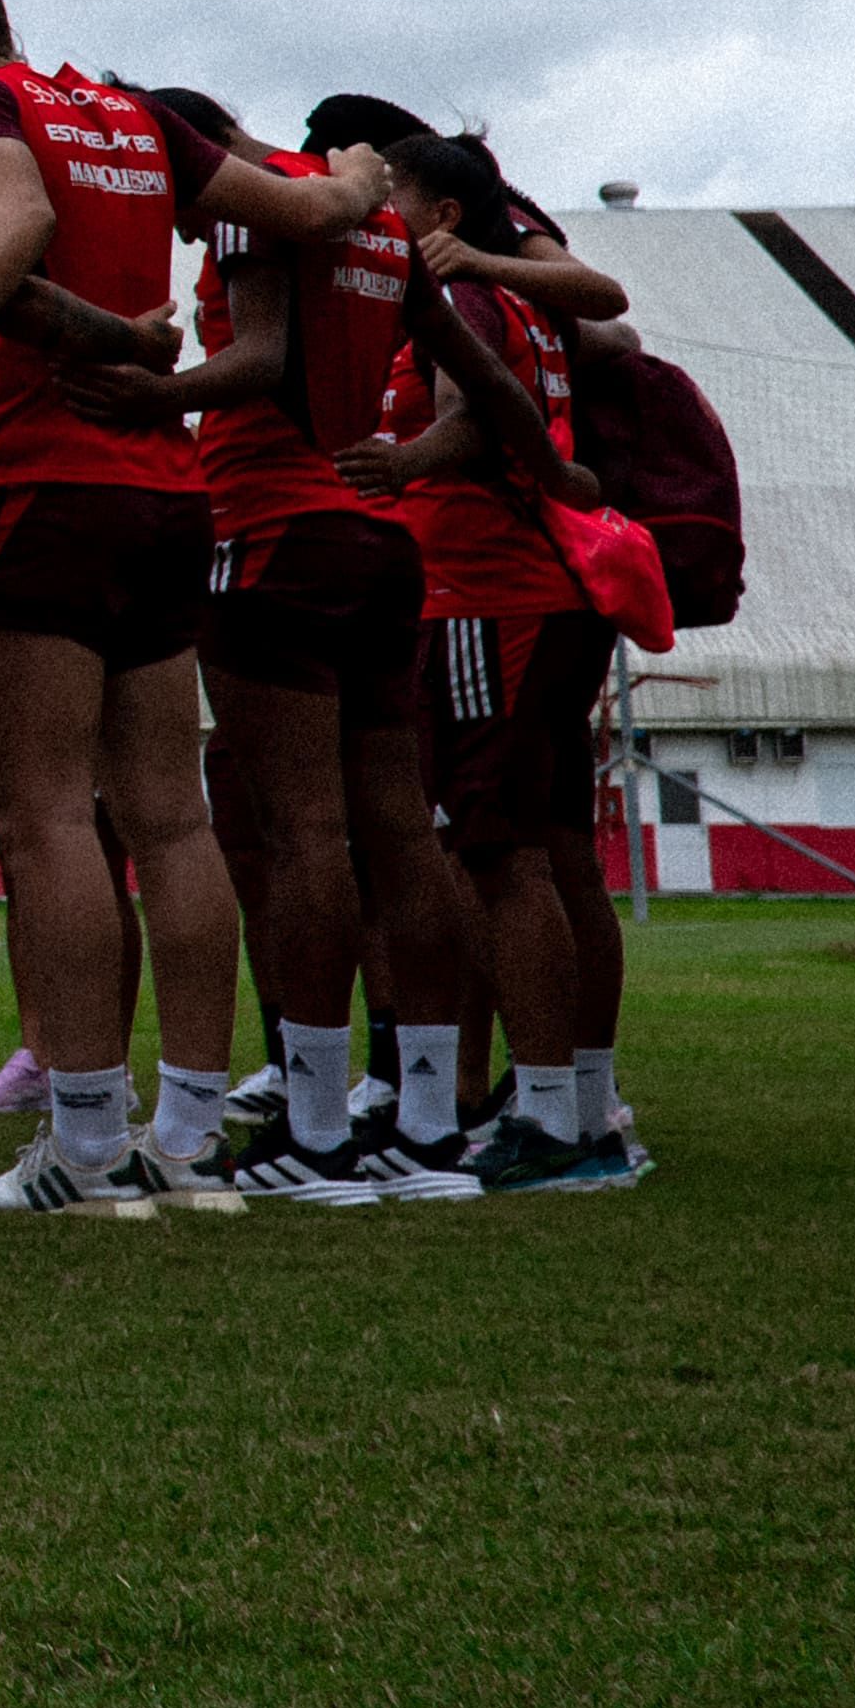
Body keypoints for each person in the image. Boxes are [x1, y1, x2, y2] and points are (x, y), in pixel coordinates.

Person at [0, 0, 392, 1215]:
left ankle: (88, 1144)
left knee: (41, 815)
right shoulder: (132, 110)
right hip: (167, 494)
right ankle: (188, 1141)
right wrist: (363, 173)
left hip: (38, 484)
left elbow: (22, 215)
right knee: (173, 817)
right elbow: (308, 209)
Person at [75, 88, 471, 1205]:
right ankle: (430, 1127)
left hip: (273, 532)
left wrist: (149, 395)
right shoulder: (380, 221)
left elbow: (260, 356)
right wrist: (419, 458)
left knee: (305, 838)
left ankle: (316, 1129)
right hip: (381, 541)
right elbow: (473, 373)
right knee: (400, 832)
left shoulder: (265, 208)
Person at [342, 135, 638, 1195]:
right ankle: (585, 1105)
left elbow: (472, 423)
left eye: (400, 200)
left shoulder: (463, 299)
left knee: (496, 857)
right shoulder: (527, 304)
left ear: (447, 216)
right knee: (559, 856)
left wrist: (400, 460)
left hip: (482, 597)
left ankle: (550, 1119)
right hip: (549, 597)